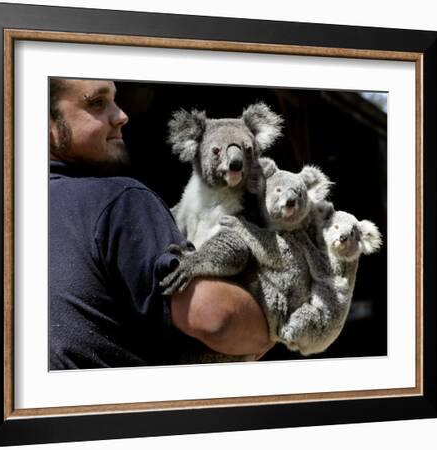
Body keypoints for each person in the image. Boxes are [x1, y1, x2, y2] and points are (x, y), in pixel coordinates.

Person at [49, 78, 272, 369]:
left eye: (115, 101)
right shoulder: (118, 200)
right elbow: (217, 319)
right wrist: (278, 318)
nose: (121, 115)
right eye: (96, 103)